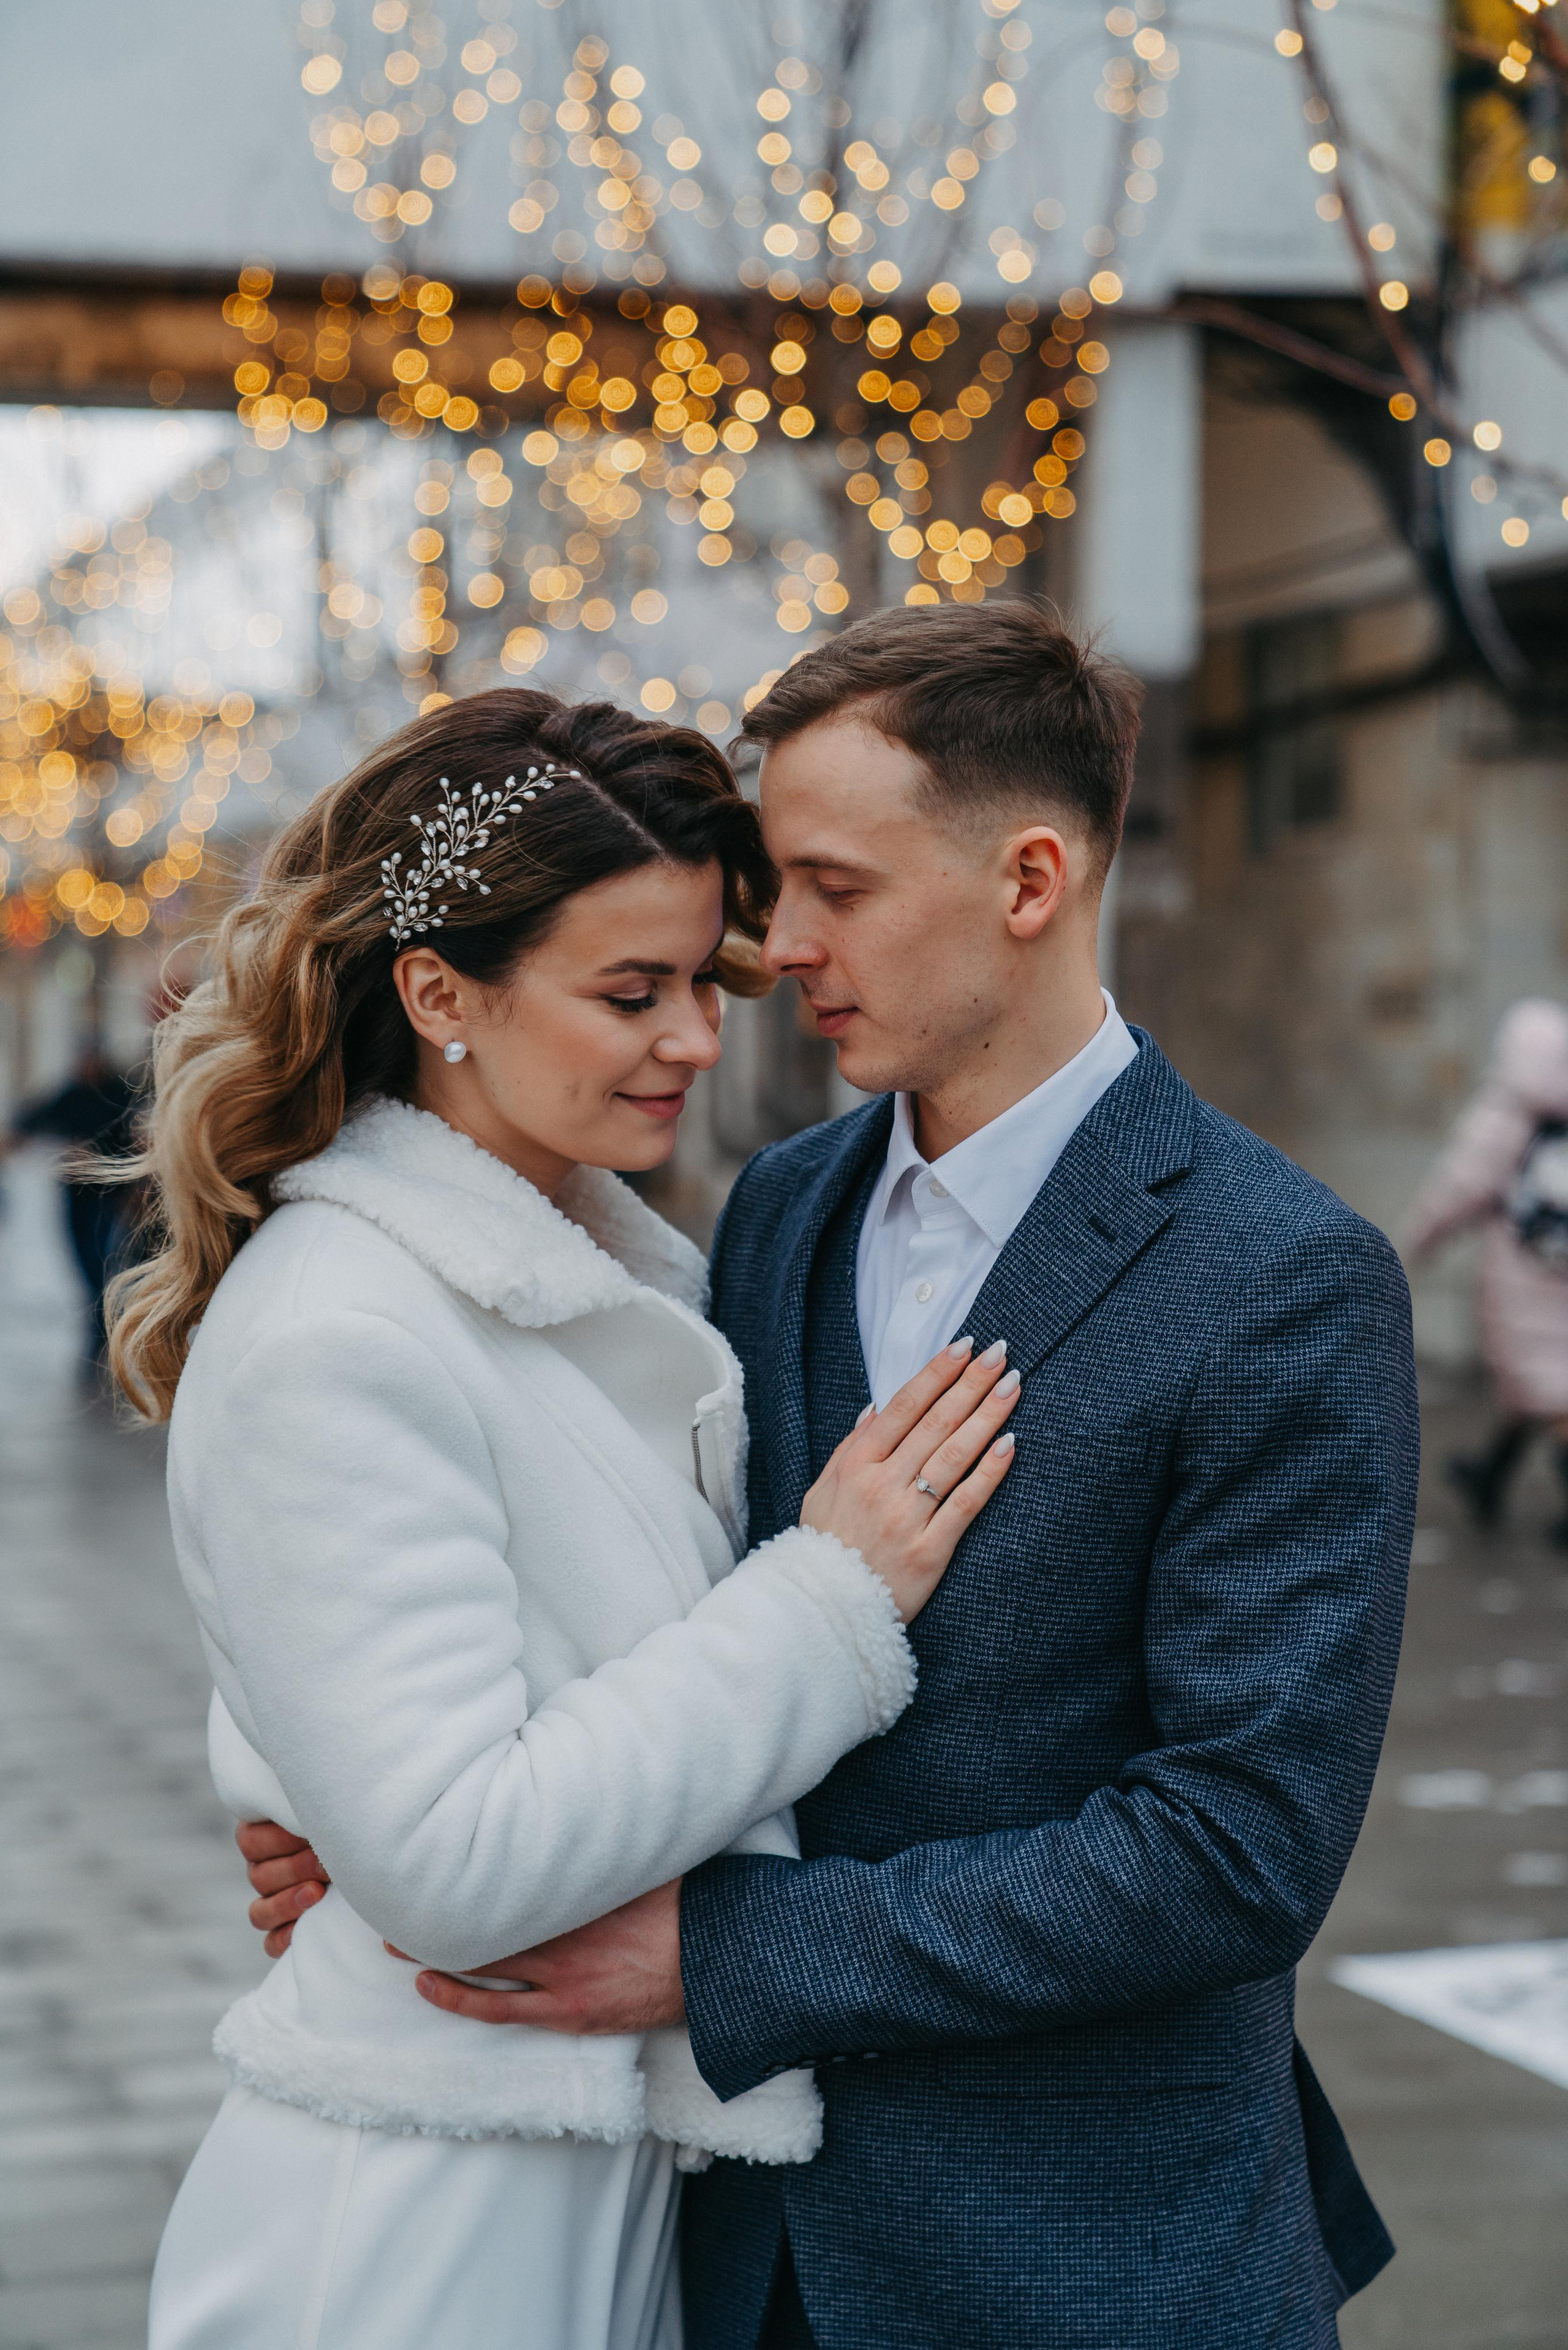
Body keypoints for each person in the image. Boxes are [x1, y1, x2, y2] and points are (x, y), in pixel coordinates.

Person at [246, 604, 1419, 2350]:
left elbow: (1238, 1849)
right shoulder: (778, 1207)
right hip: (732, 2256)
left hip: (1089, 2254)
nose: (778, 945)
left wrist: (729, 1955)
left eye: (834, 887)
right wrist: (381, 1814)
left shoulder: (1284, 1277)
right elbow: (651, 1600)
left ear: (1029, 880)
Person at [113, 688, 1020, 2350]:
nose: (695, 1038)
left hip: (575, 2168)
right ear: (441, 992)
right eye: (630, 991)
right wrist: (833, 1593)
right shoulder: (344, 1328)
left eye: (697, 981)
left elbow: (456, 1773)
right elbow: (457, 1858)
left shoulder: (599, 1287)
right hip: (417, 2219)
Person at [1407, 997, 1568, 1543]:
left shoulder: (1506, 1111)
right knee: (1538, 1385)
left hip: (1521, 1276)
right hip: (1561, 1272)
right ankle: (1489, 1477)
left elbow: (1461, 1185)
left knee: (1545, 1387)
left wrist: (1416, 1241)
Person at [6, 1046, 140, 1360]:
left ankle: (102, 1315)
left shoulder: (119, 1094)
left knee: (102, 1252)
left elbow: (130, 1138)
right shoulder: (73, 1093)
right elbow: (33, 1117)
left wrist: (97, 1153)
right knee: (80, 1251)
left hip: (109, 1191)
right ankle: (98, 1310)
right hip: (76, 1190)